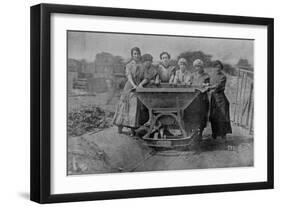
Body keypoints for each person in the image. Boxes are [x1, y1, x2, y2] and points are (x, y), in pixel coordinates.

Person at [112, 47, 145, 135]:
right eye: (135, 54)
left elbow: (144, 77)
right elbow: (129, 76)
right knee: (124, 106)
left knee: (134, 108)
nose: (137, 55)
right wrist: (134, 85)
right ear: (132, 55)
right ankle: (120, 126)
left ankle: (132, 130)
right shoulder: (129, 65)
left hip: (138, 88)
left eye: (138, 53)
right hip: (129, 87)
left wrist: (140, 85)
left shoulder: (142, 66)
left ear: (140, 55)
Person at [208, 60, 232, 140]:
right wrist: (207, 85)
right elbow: (209, 84)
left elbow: (218, 86)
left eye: (219, 67)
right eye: (215, 67)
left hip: (221, 98)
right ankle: (214, 133)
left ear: (221, 68)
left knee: (222, 116)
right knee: (213, 116)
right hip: (213, 99)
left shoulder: (223, 76)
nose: (217, 69)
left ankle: (223, 134)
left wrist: (210, 87)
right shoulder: (212, 76)